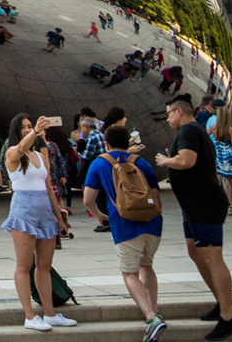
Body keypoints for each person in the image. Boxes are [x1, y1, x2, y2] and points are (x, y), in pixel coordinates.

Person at [156, 97, 232, 341]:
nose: (168, 119)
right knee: (195, 251)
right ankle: (221, 302)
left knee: (212, 256)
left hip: (204, 204)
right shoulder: (193, 131)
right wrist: (171, 157)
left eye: (168, 114)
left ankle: (229, 317)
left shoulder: (189, 130)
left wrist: (166, 161)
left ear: (179, 111)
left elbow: (186, 161)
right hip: (194, 205)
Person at [84, 125, 165, 342]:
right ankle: (155, 309)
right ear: (127, 142)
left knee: (129, 273)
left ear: (107, 143)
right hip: (152, 224)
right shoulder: (142, 162)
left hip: (125, 224)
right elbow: (156, 197)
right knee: (146, 266)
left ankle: (151, 317)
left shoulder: (99, 163)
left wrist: (100, 215)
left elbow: (87, 199)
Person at [2, 115, 76, 331]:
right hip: (23, 208)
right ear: (17, 131)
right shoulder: (12, 152)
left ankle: (50, 313)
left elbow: (48, 186)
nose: (28, 130)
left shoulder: (39, 156)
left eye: (29, 127)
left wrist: (59, 216)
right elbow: (18, 151)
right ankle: (30, 315)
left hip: (44, 207)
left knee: (44, 265)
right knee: (24, 265)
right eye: (24, 128)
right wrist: (35, 131)